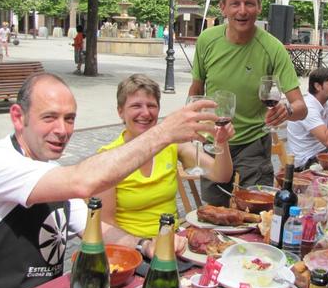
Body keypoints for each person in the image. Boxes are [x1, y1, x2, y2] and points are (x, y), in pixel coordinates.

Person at [0, 72, 217, 288]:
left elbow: (97, 228)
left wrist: (144, 244)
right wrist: (164, 132)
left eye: (69, 119)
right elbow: (83, 181)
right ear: (18, 117)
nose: (62, 130)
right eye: (49, 117)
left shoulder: (52, 173)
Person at [189, 0, 307, 206]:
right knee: (215, 213)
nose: (242, 10)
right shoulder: (206, 41)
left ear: (259, 7)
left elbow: (301, 107)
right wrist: (194, 128)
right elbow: (196, 92)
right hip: (215, 143)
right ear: (223, 7)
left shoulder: (273, 48)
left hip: (252, 146)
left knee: (253, 212)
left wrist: (287, 110)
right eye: (235, 3)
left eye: (249, 3)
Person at [97, 74, 234, 242]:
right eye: (136, 106)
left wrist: (222, 142)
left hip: (173, 242)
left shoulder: (171, 145)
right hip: (131, 249)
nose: (145, 113)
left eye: (151, 105)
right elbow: (106, 224)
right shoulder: (108, 157)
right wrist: (144, 246)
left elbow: (221, 175)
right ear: (120, 112)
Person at [286, 68, 328, 169]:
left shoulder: (324, 107)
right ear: (318, 86)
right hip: (306, 162)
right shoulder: (308, 107)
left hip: (322, 155)